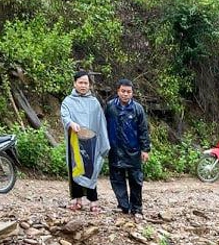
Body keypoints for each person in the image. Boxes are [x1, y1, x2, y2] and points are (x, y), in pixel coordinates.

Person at [61, 71, 110, 212]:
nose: (83, 85)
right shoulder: (68, 101)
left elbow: (100, 122)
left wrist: (103, 139)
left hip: (92, 142)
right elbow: (65, 116)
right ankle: (77, 200)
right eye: (80, 82)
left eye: (86, 83)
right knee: (76, 169)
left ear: (89, 85)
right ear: (74, 83)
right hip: (75, 142)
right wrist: (70, 123)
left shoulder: (94, 103)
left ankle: (93, 201)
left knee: (91, 169)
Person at [105, 79, 151, 216]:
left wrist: (145, 149)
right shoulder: (110, 107)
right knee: (116, 180)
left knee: (136, 180)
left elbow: (143, 130)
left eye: (128, 92)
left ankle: (136, 207)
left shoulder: (138, 109)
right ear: (118, 91)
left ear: (132, 93)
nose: (125, 94)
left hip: (133, 150)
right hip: (115, 150)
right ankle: (124, 206)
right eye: (123, 91)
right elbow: (103, 126)